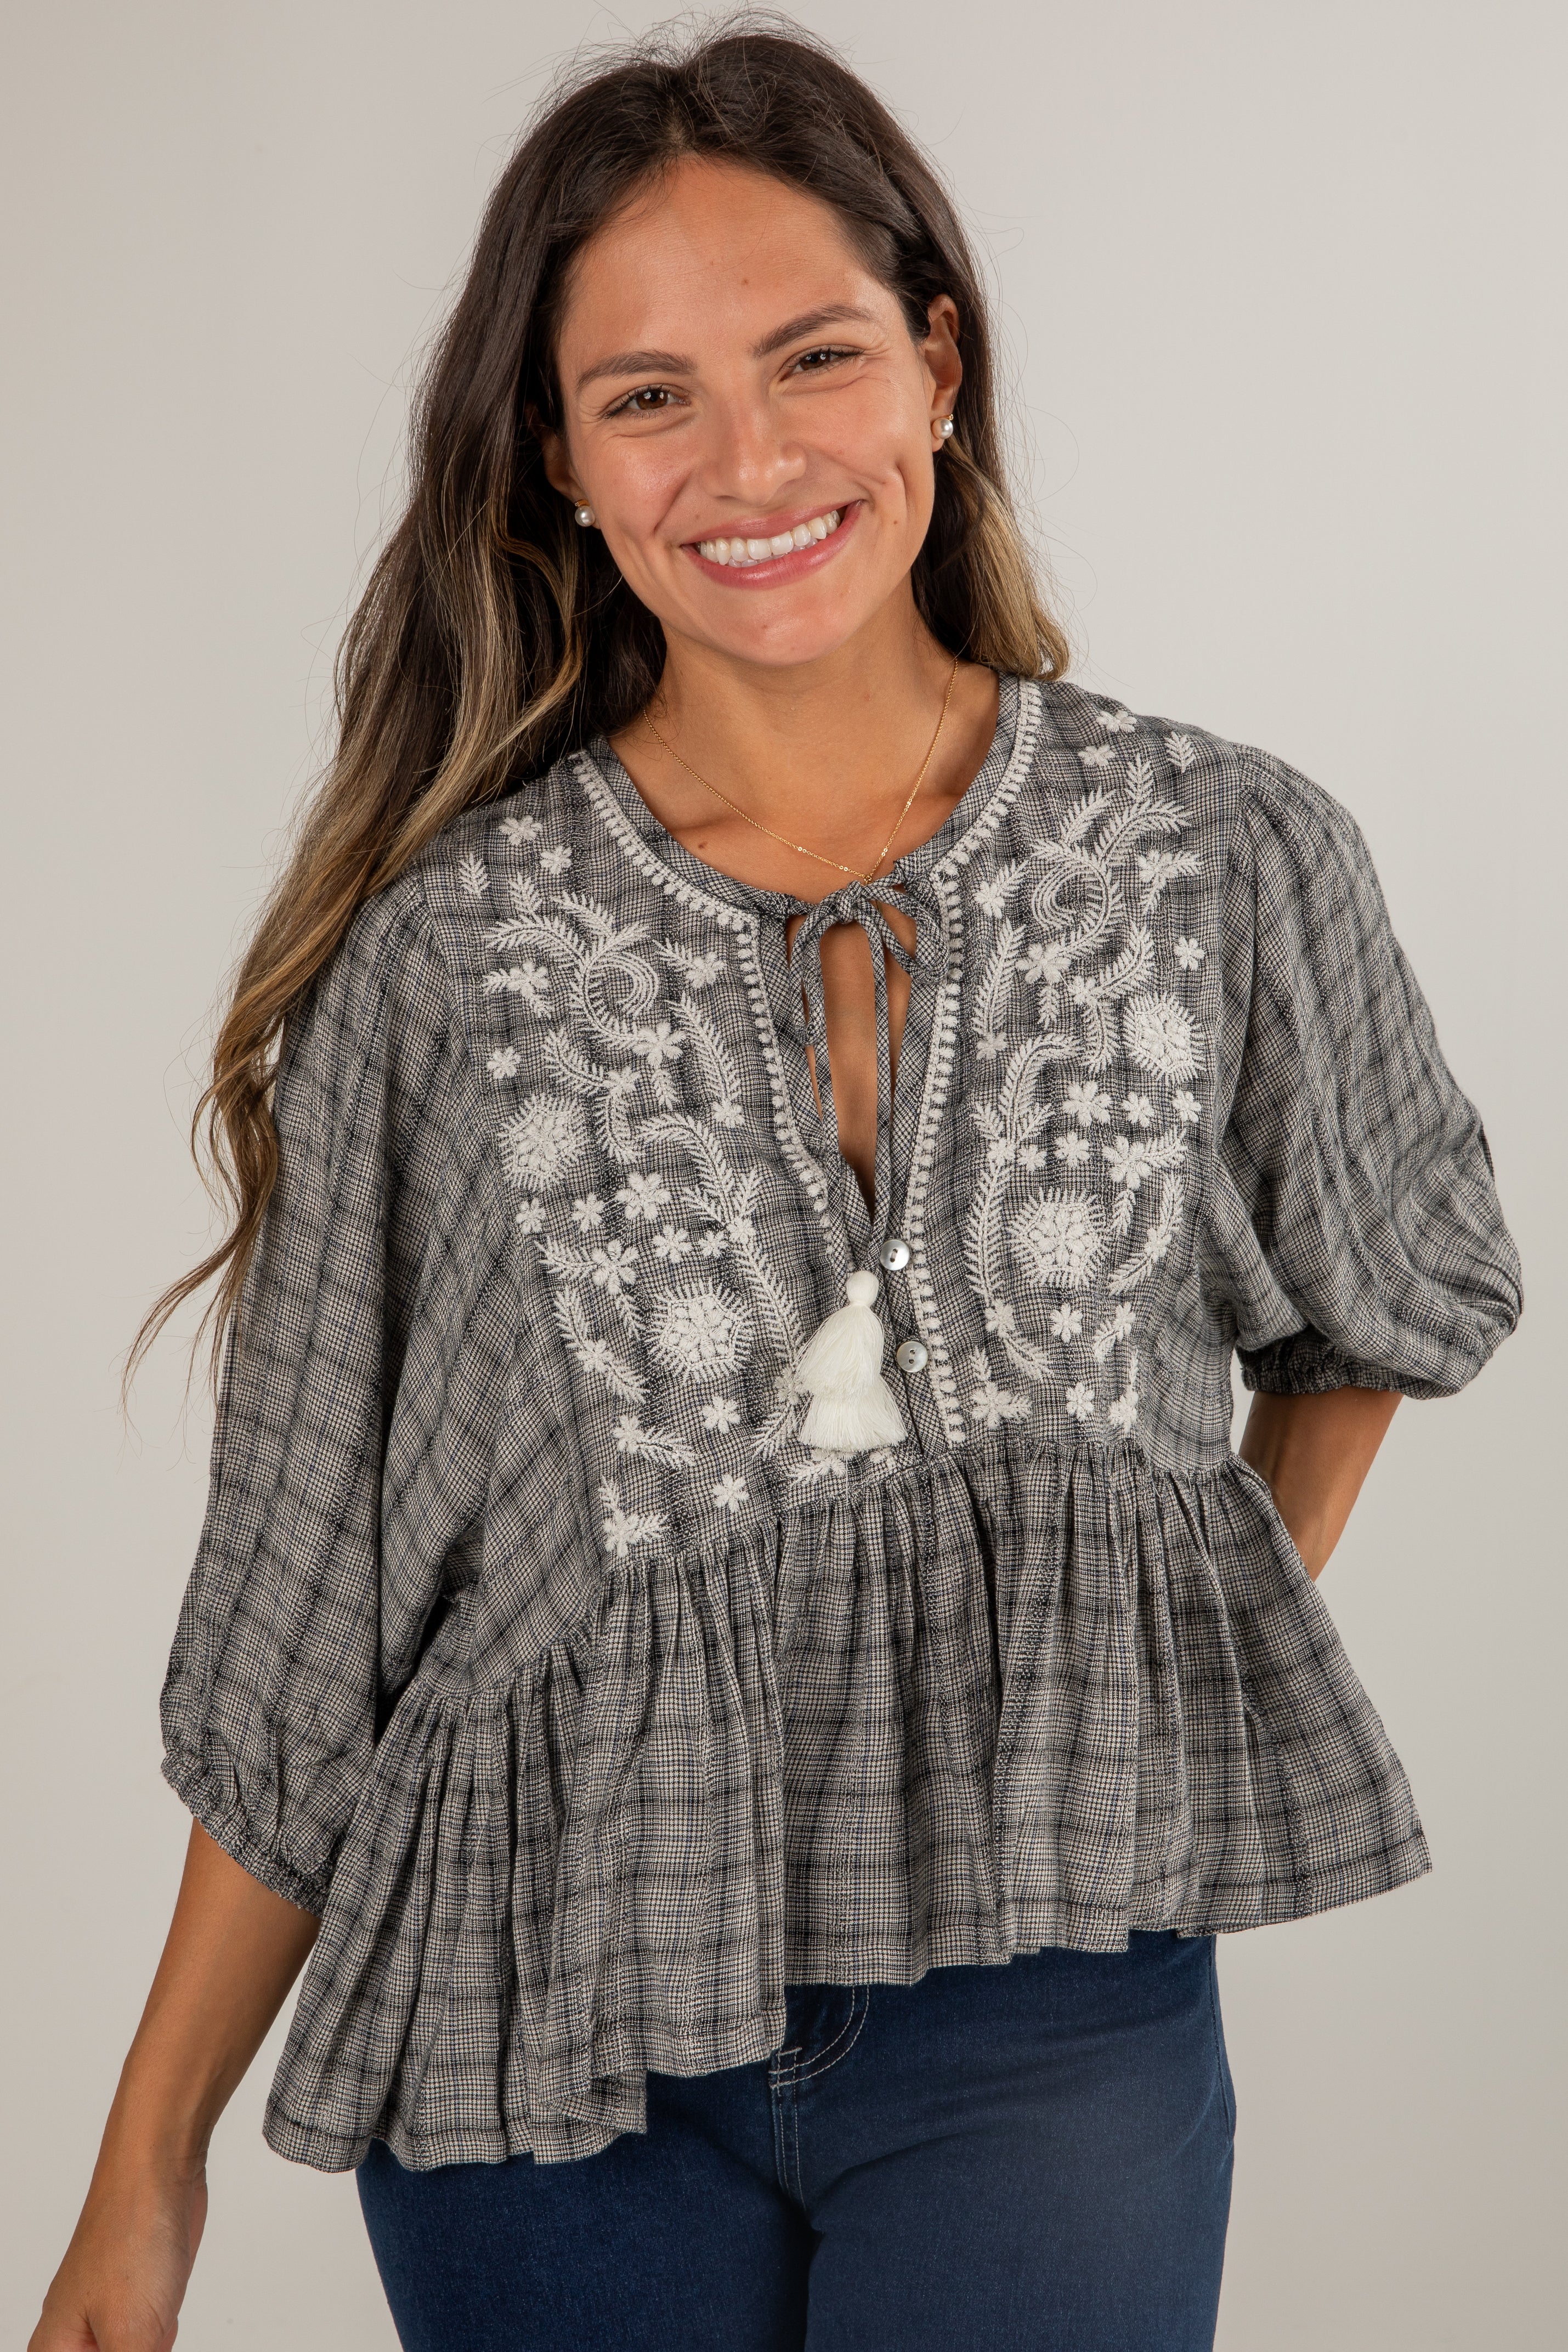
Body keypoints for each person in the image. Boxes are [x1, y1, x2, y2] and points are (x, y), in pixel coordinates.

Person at [30, 21, 1522, 2352]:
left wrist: (1145, 1657)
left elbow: (1386, 1291)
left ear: (935, 364)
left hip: (1047, 1998)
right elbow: (304, 1622)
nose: (748, 460)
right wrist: (148, 2171)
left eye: (812, 355)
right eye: (648, 396)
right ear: (560, 463)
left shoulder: (1220, 852)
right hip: (538, 2035)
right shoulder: (451, 963)